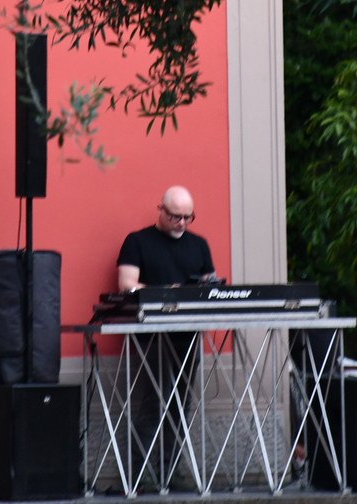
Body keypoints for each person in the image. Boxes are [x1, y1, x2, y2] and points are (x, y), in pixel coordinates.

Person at [115, 186, 214, 491]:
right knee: (154, 402)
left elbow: (210, 286)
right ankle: (138, 475)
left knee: (180, 404)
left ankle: (170, 473)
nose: (181, 223)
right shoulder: (137, 242)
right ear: (160, 209)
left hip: (188, 333)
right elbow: (126, 285)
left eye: (187, 217)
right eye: (175, 216)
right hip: (152, 334)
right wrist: (167, 293)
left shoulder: (199, 245)